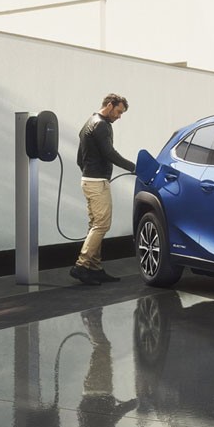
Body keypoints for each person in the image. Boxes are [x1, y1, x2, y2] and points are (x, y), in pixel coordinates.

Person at [71, 94, 135, 285]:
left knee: (95, 225)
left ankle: (95, 268)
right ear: (109, 105)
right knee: (102, 225)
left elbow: (79, 159)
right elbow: (109, 153)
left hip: (89, 180)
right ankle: (82, 265)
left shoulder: (89, 122)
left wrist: (88, 173)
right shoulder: (101, 125)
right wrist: (134, 167)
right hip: (97, 182)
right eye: (118, 111)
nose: (119, 116)